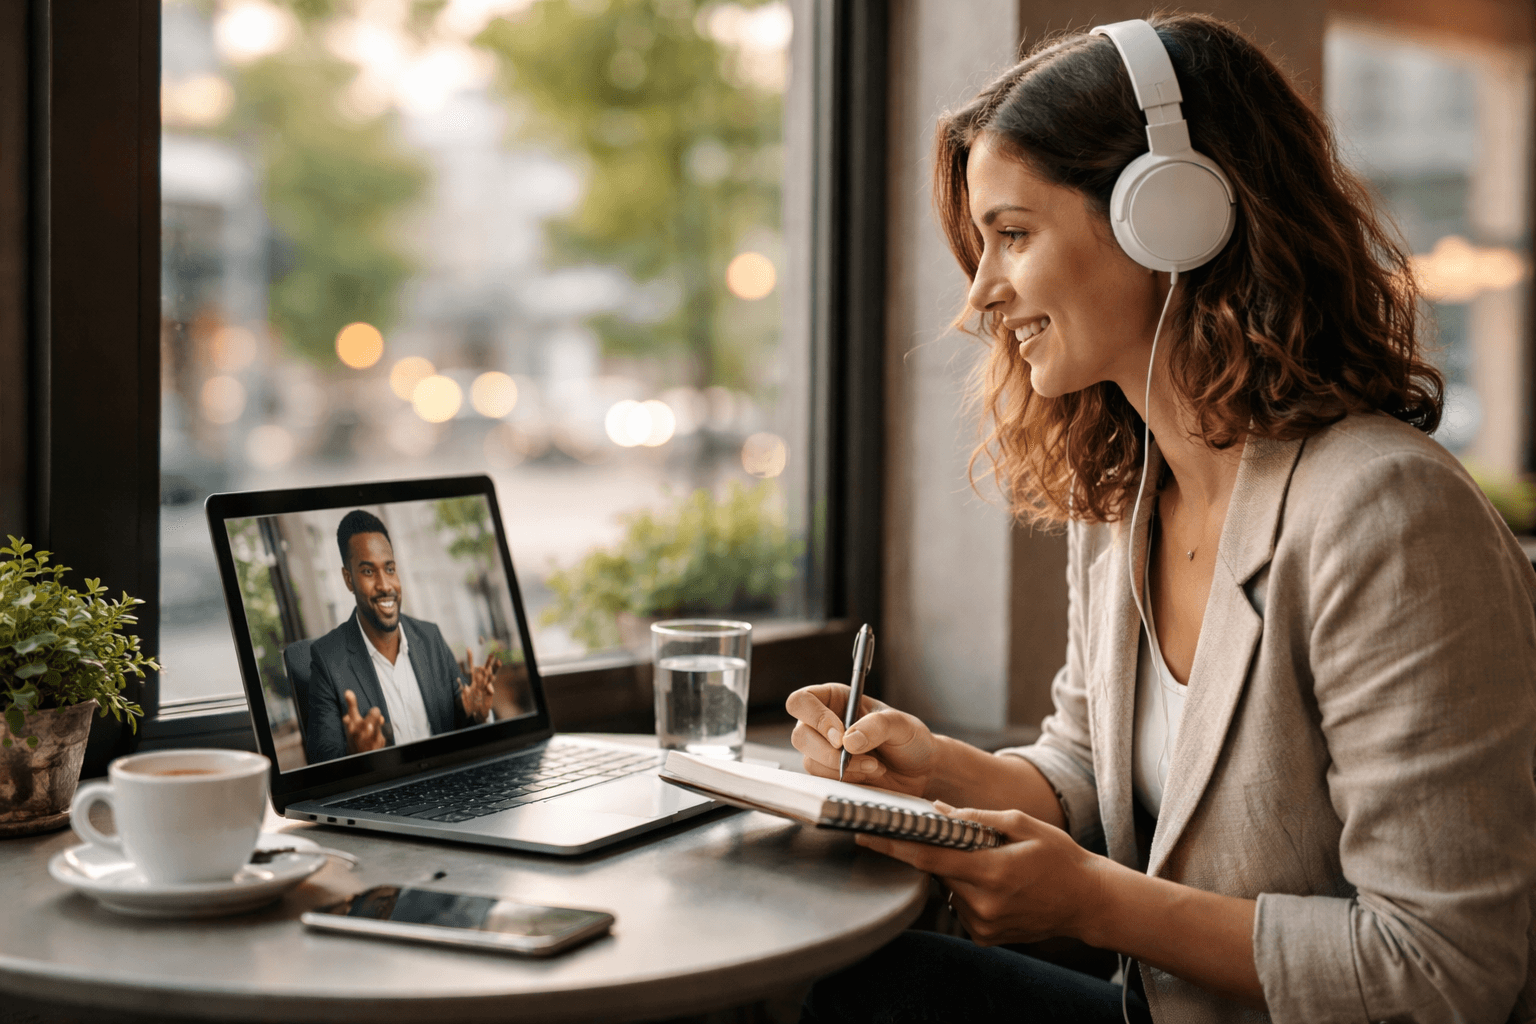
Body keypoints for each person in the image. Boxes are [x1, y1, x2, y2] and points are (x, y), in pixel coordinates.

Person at [788, 14, 1536, 1024]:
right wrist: (940, 770)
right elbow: (1094, 774)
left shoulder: (1385, 513)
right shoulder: (1128, 496)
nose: (978, 297)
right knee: (848, 979)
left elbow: (1447, 968)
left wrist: (1098, 904)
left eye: (1012, 234)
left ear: (1170, 216)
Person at [303, 510, 501, 764]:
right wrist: (355, 756)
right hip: (385, 797)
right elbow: (321, 762)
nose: (385, 585)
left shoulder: (430, 638)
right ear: (348, 579)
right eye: (367, 572)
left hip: (448, 789)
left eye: (389, 568)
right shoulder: (328, 659)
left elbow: (462, 727)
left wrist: (479, 716)